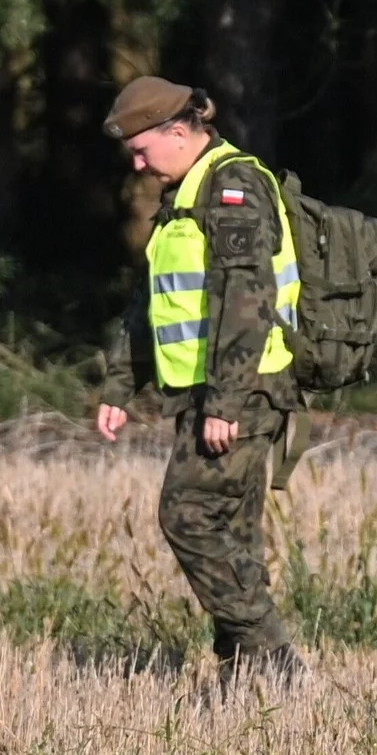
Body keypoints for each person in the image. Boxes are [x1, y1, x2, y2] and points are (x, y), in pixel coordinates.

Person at [94, 77, 306, 685]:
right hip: (204, 392)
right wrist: (118, 388)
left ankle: (275, 658)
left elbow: (248, 298)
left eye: (142, 149)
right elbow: (154, 301)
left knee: (185, 515)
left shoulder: (233, 187)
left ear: (179, 132)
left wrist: (226, 402)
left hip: (243, 391)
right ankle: (248, 678)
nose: (136, 164)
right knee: (233, 532)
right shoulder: (183, 195)